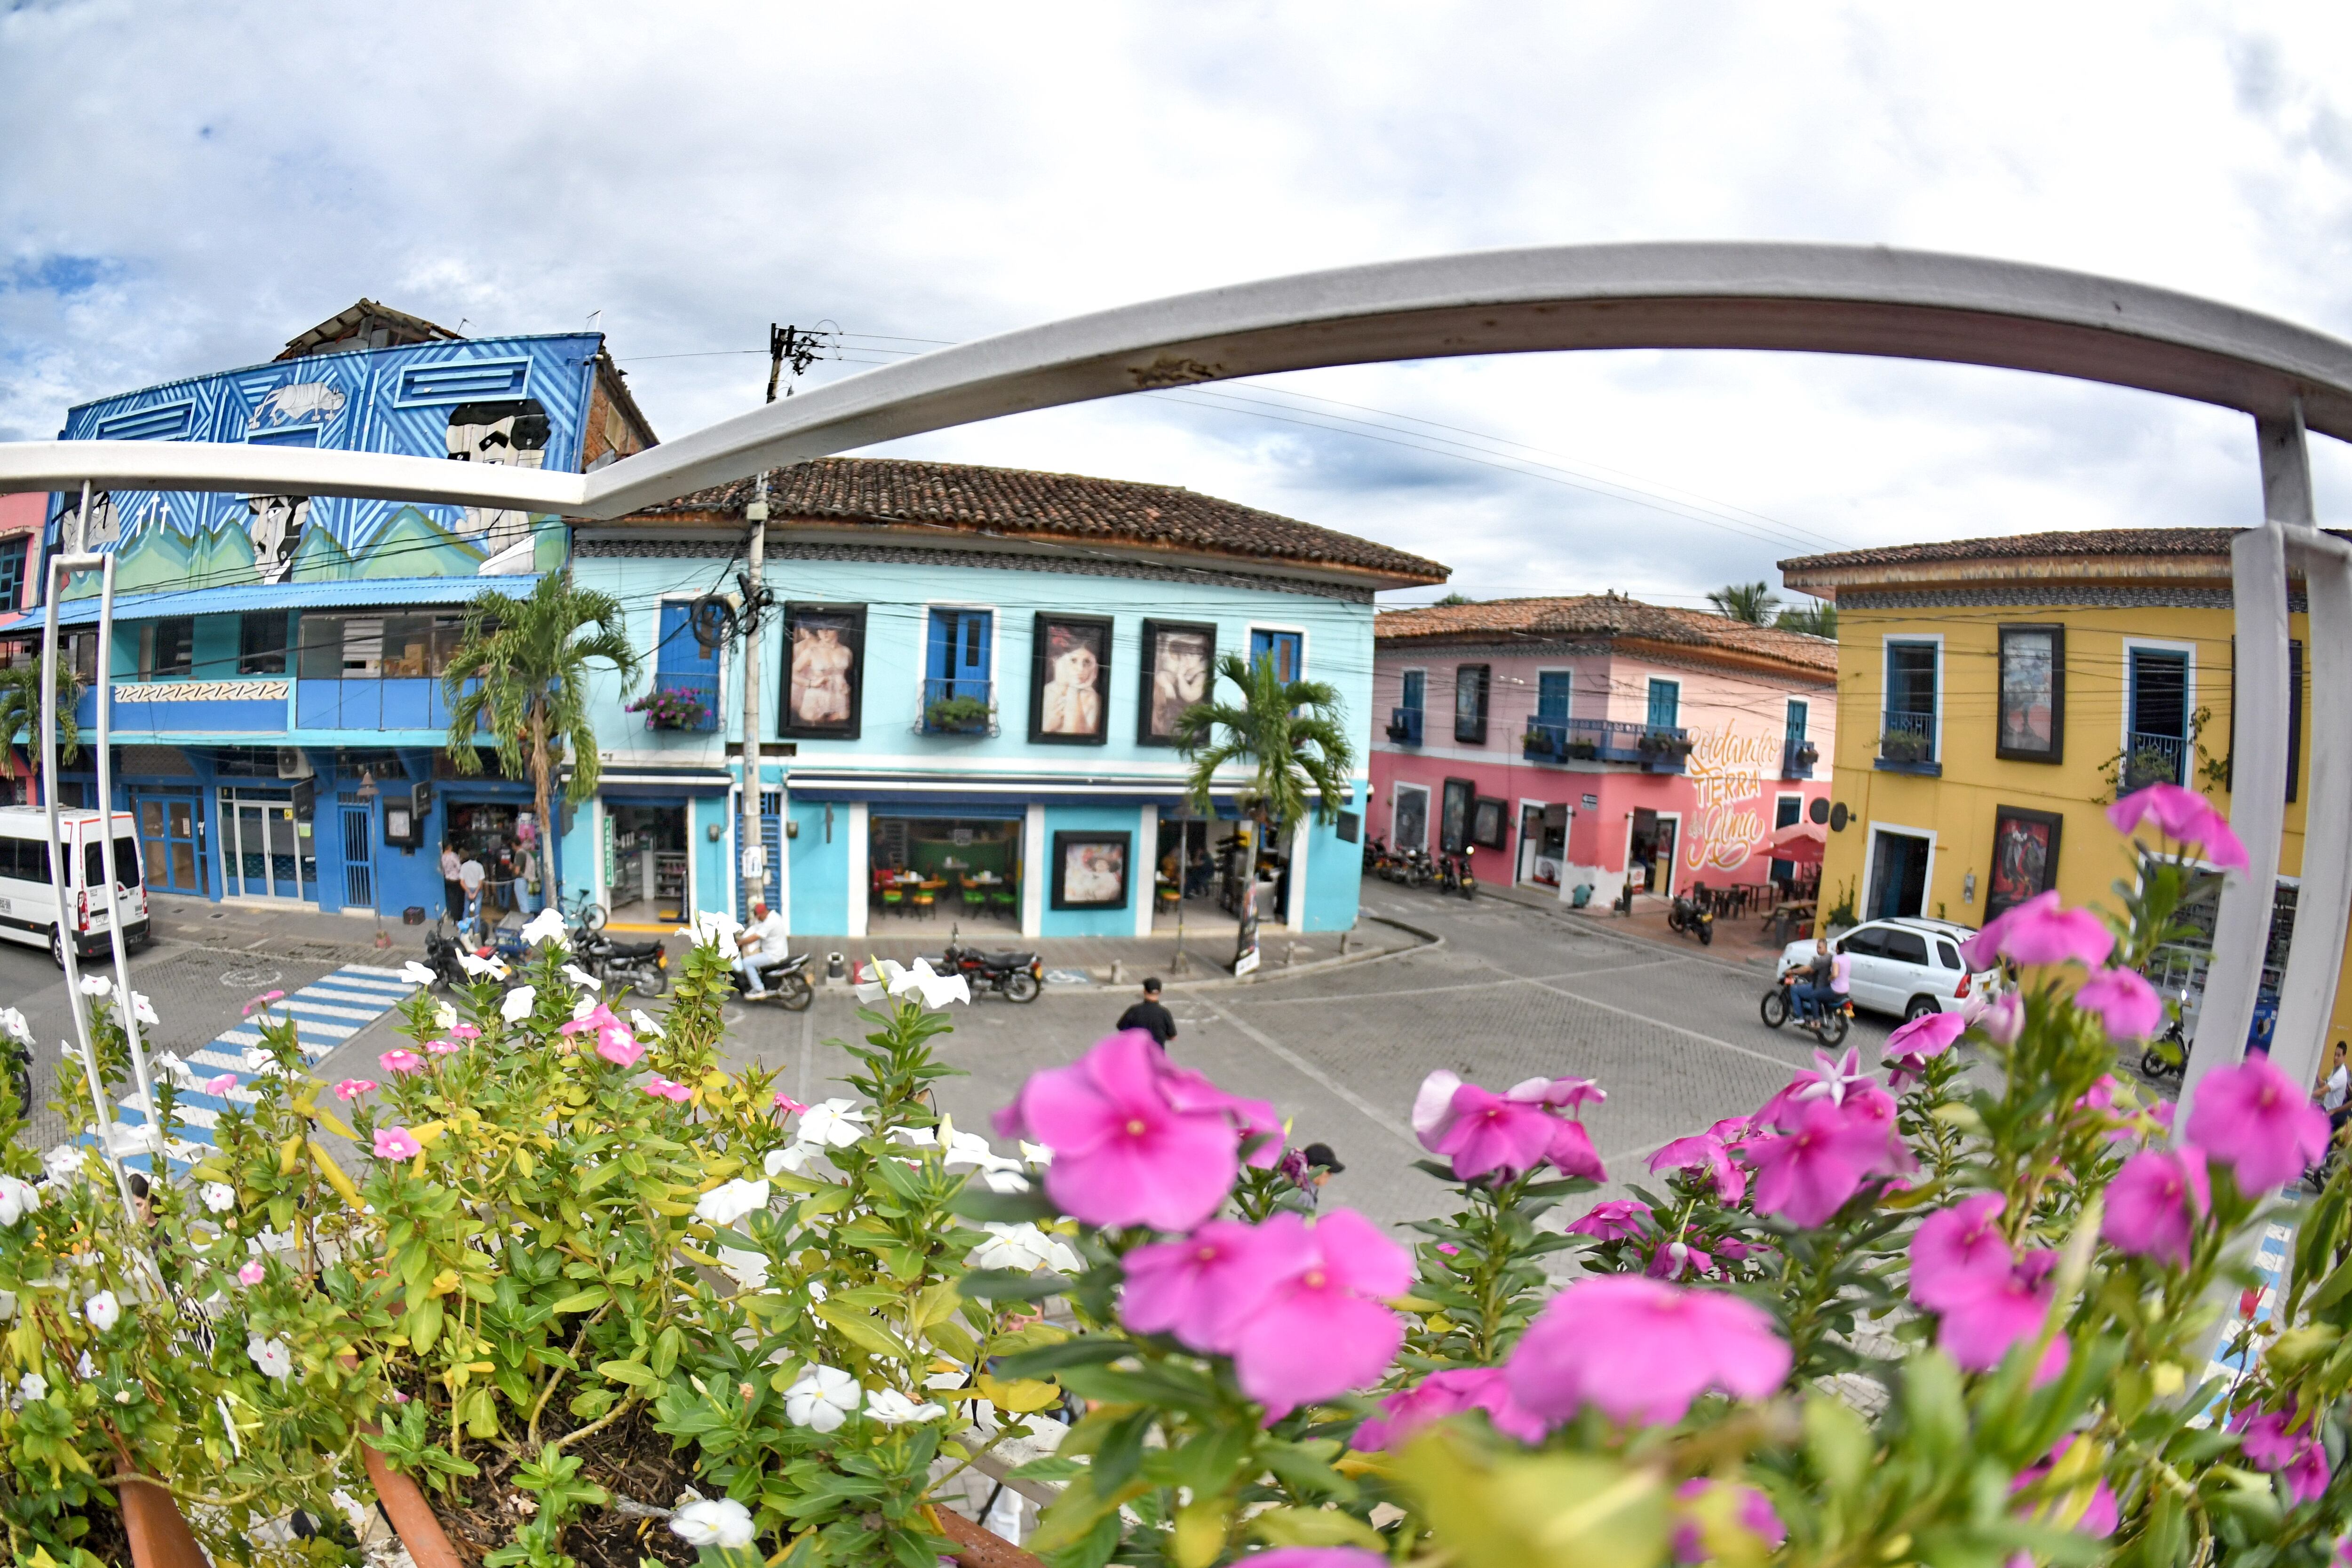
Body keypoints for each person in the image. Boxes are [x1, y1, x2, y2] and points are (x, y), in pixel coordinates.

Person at [738, 900, 792, 996]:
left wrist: (740, 942)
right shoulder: (775, 917)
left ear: (762, 913)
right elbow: (758, 928)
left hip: (772, 955)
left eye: (759, 917)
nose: (759, 919)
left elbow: (756, 937)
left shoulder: (770, 922)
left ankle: (759, 989)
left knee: (747, 962)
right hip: (779, 952)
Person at [1115, 978, 1177, 1049]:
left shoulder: (1134, 1010)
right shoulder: (1164, 1013)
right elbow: (1173, 1037)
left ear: (1145, 991)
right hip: (1156, 1055)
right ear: (1160, 992)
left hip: (1138, 1054)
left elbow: (1122, 1029)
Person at [457, 851, 487, 939]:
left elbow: (462, 882)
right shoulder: (480, 867)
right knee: (477, 912)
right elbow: (481, 883)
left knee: (466, 911)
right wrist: (475, 893)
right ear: (477, 857)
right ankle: (477, 931)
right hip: (477, 891)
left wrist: (469, 892)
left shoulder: (464, 866)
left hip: (468, 890)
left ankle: (464, 930)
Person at [440, 842, 464, 922]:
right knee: (459, 899)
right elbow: (459, 866)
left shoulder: (443, 856)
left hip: (448, 879)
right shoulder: (453, 855)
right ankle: (459, 917)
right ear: (449, 846)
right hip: (456, 880)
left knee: (452, 899)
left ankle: (454, 917)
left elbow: (443, 869)